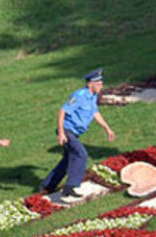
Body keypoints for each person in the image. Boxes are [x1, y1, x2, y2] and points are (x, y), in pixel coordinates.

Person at [39, 69, 115, 198]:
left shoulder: (93, 96)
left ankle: (47, 186)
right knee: (81, 154)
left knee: (68, 159)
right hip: (67, 131)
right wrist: (61, 133)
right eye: (99, 84)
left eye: (101, 83)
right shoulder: (79, 95)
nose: (101, 86)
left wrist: (107, 128)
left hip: (74, 133)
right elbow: (62, 111)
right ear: (90, 83)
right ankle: (71, 186)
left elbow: (95, 113)